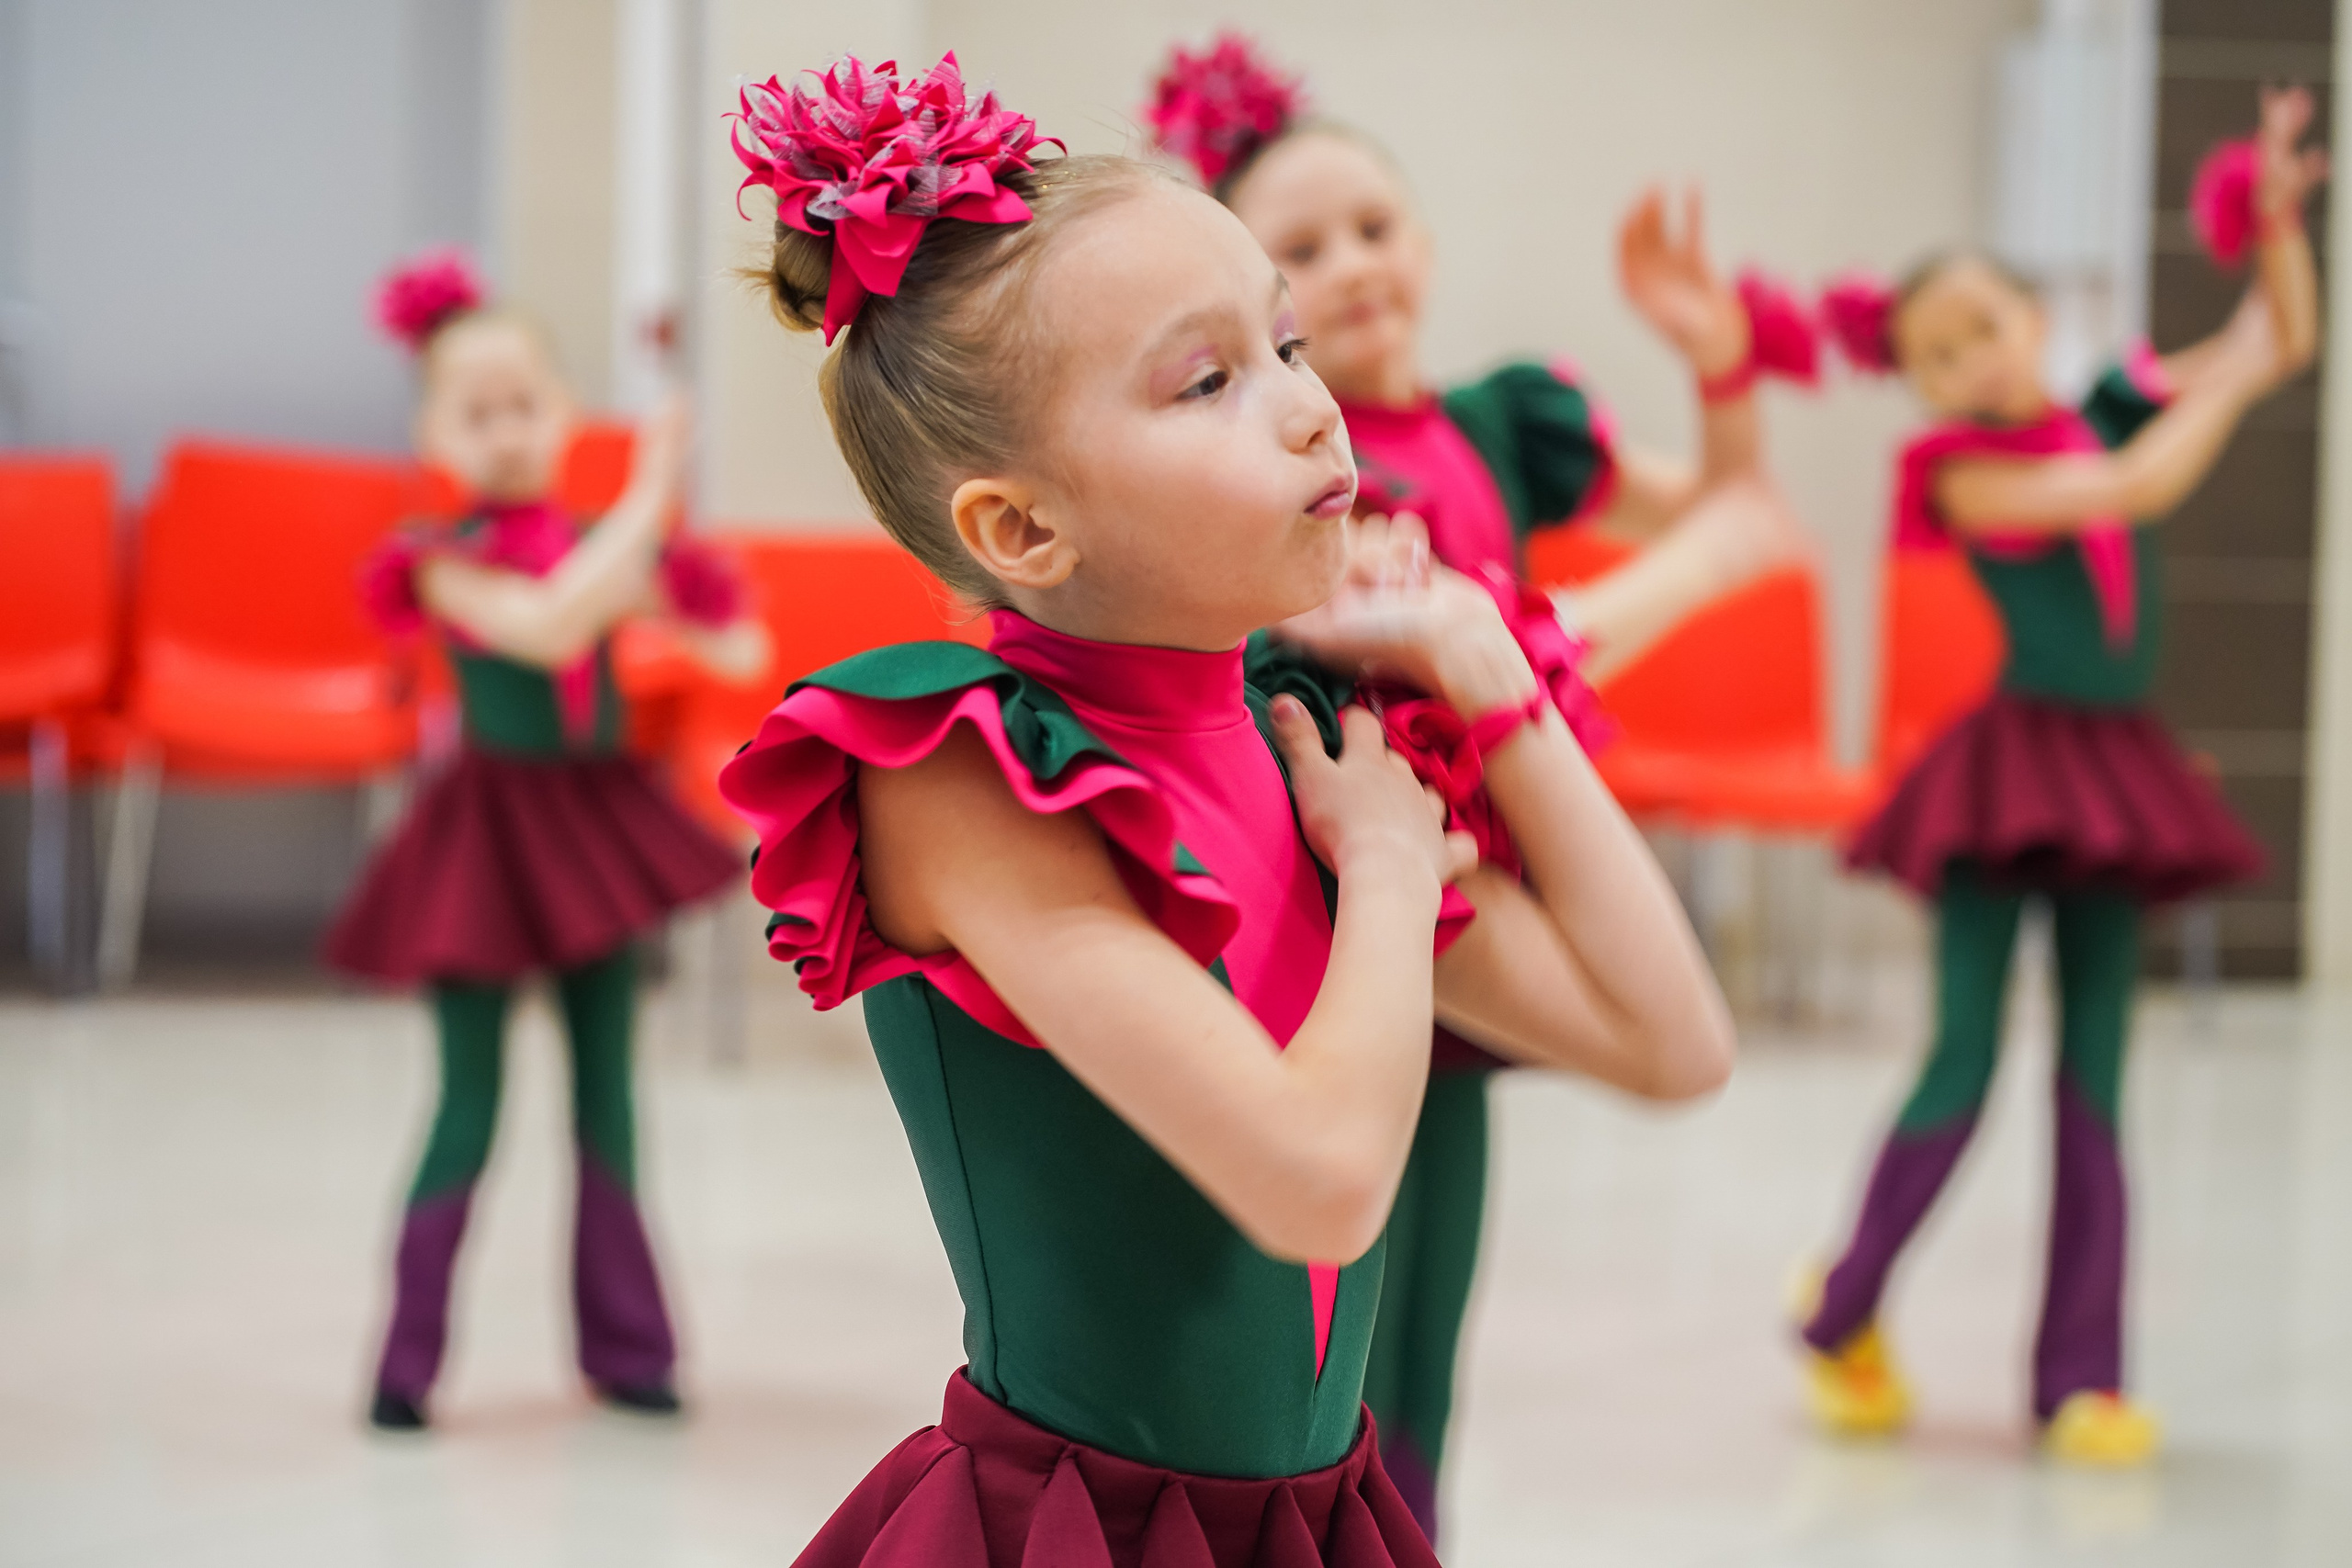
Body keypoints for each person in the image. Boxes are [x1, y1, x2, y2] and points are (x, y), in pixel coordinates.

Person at [718, 52, 1734, 1564]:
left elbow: (1672, 1044)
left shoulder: (1297, 739)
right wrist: (1386, 883)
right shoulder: (964, 770)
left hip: (1314, 1527)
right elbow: (1313, 1180)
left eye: (1288, 344)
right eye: (1209, 382)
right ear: (1023, 526)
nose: (1317, 414)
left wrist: (1485, 671)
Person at [1146, 33, 1807, 1529]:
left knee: (1425, 1322)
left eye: (1375, 225)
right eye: (1303, 251)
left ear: (1426, 244)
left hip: (1487, 851)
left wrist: (1716, 360)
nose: (1354, 265)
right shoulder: (1273, 457)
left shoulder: (1507, 418)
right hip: (1370, 868)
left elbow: (1732, 505)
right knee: (1329, 1316)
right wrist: (1679, 580)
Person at [1794, 85, 2324, 1466]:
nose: (1970, 359)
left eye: (1986, 324)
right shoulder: (1957, 466)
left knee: (2098, 1076)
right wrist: (2182, 411)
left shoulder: (2105, 397)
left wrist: (2273, 224)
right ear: (1917, 381)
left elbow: (2283, 341)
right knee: (1965, 1056)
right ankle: (1846, 1306)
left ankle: (2081, 1376)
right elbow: (2132, 492)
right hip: (2006, 774)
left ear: (2036, 317)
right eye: (1937, 350)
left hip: (2116, 770)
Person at [333, 248, 769, 1431]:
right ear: (434, 433)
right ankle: (405, 1365)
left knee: (608, 1098)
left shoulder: (596, 540)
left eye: (525, 402)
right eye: (476, 413)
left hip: (594, 826)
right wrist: (644, 503)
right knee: (468, 1103)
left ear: (564, 410)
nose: (507, 431)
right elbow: (547, 623)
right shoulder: (438, 562)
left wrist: (670, 576)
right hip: (485, 834)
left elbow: (738, 652)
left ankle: (629, 1349)